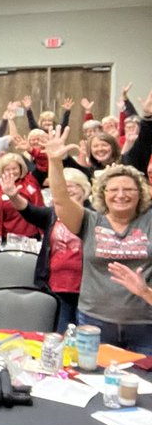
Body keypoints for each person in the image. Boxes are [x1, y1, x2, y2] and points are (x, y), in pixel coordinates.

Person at [45, 122, 152, 354]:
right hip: (95, 323)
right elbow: (61, 200)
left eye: (129, 190)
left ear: (141, 193)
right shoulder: (90, 221)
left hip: (145, 326)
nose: (121, 195)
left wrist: (145, 292)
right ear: (102, 194)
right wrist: (54, 161)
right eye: (113, 190)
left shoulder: (149, 222)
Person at [13, 166, 92, 332]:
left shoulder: (94, 216)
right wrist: (13, 195)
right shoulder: (52, 214)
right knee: (61, 333)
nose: (67, 190)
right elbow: (28, 210)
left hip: (87, 287)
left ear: (84, 189)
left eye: (72, 185)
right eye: (62, 186)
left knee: (85, 334)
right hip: (56, 285)